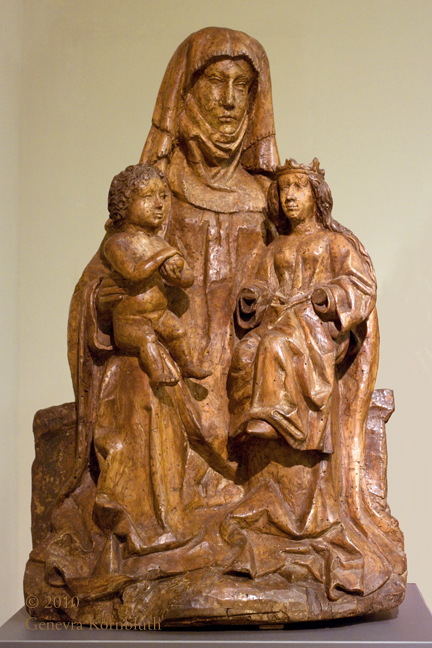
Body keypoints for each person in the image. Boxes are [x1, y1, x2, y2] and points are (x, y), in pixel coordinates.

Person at [225, 158, 406, 599]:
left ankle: (276, 414)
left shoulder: (335, 243)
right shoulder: (273, 250)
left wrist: (327, 296)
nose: (289, 196)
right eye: (283, 189)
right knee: (248, 352)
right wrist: (254, 298)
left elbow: (361, 286)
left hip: (315, 333)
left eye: (298, 188)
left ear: (316, 196)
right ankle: (258, 416)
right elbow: (256, 290)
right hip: (280, 322)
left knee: (275, 346)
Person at [140, 26, 280, 451]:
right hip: (174, 372)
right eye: (217, 80)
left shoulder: (268, 200)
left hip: (248, 378)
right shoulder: (157, 192)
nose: (230, 100)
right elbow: (103, 283)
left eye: (243, 85)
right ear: (186, 90)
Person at [98, 164, 210, 386]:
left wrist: (175, 276)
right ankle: (157, 374)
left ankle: (187, 365)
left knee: (178, 330)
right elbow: (134, 273)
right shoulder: (117, 243)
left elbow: (188, 277)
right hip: (130, 320)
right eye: (148, 197)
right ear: (124, 205)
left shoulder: (159, 242)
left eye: (162, 196)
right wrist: (163, 257)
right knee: (146, 338)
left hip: (159, 314)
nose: (159, 204)